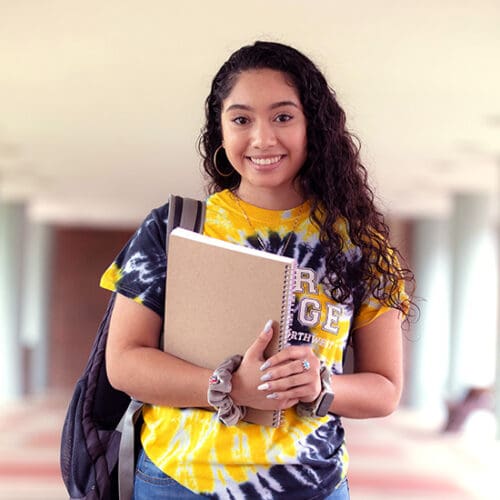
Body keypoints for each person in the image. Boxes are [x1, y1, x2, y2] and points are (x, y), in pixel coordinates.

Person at [101, 41, 414, 500]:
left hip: (308, 483)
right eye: (242, 119)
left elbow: (385, 389)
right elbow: (124, 362)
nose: (263, 139)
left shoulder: (359, 246)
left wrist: (321, 384)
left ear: (314, 126)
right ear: (220, 129)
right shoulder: (174, 228)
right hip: (177, 480)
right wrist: (228, 387)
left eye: (283, 117)